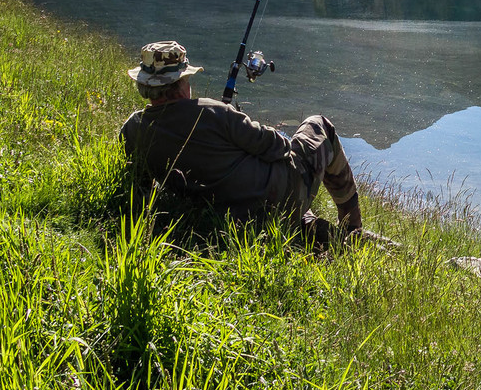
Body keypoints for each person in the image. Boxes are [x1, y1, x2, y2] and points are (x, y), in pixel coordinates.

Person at [119, 39, 363, 245]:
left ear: (145, 86)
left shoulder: (132, 129)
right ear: (181, 83)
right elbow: (279, 147)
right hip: (282, 198)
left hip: (234, 221)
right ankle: (352, 227)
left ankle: (317, 231)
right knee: (319, 124)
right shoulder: (214, 113)